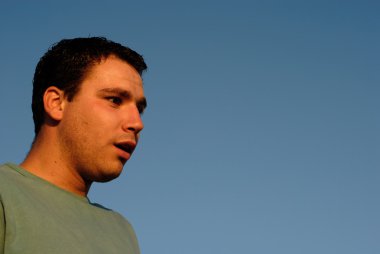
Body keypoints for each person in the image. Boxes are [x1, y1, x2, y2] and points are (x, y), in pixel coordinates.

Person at [0, 37, 147, 254]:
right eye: (115, 100)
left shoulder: (122, 232)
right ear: (56, 103)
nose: (137, 123)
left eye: (139, 109)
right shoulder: (6, 195)